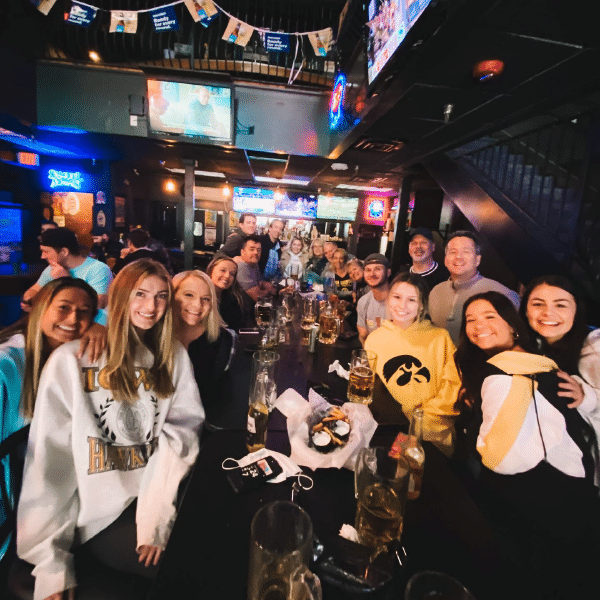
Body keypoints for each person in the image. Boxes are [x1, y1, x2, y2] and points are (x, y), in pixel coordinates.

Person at [17, 259, 204, 600]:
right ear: (120, 297)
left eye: (161, 296)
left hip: (162, 497)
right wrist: (50, 564)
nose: (151, 306)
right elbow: (50, 463)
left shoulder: (172, 356)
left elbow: (181, 436)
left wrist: (155, 517)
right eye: (141, 294)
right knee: (192, 573)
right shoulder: (72, 361)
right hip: (103, 516)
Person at [454, 291, 600, 600]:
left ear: (513, 324)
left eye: (490, 316)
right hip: (574, 503)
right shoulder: (538, 361)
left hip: (541, 518)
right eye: (471, 320)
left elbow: (499, 457)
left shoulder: (506, 375)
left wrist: (477, 433)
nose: (479, 325)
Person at [0, 278, 98, 562]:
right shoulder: (7, 363)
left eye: (84, 313)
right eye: (64, 308)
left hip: (47, 489)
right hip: (16, 501)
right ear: (41, 308)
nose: (73, 319)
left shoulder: (73, 357)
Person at [365, 272, 460, 456]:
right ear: (388, 298)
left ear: (422, 305)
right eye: (397, 297)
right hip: (393, 427)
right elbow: (374, 389)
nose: (402, 306)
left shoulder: (440, 338)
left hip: (433, 432)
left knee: (414, 479)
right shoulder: (375, 339)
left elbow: (452, 388)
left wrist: (417, 425)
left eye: (411, 300)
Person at [520, 275, 600, 451]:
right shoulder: (529, 349)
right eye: (537, 304)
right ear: (525, 310)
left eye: (561, 305)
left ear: (576, 310)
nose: (548, 313)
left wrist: (587, 396)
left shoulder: (595, 346)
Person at [428, 230, 520, 344]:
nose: (458, 257)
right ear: (445, 260)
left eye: (466, 252)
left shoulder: (502, 294)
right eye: (453, 252)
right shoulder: (436, 291)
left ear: (477, 260)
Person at [173, 270, 235, 414]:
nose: (198, 305)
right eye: (189, 295)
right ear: (172, 295)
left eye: (206, 299)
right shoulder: (156, 334)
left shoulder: (223, 340)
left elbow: (215, 396)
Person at [22, 227, 112, 311]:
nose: (42, 256)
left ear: (64, 252)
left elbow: (96, 306)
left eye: (46, 251)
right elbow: (34, 290)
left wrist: (65, 281)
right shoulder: (53, 268)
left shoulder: (99, 269)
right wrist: (29, 299)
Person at [356, 254, 392, 345]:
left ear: (388, 272)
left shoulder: (400, 302)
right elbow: (363, 336)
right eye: (368, 270)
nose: (372, 274)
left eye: (378, 269)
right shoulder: (363, 301)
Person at [206, 254, 246, 331]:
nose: (227, 276)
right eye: (222, 270)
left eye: (232, 274)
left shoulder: (233, 299)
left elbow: (237, 327)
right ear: (211, 270)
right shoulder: (201, 297)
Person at [236, 236, 275, 303]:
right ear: (242, 252)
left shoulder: (254, 264)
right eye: (252, 249)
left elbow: (261, 283)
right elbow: (258, 297)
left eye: (258, 250)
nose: (256, 253)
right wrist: (270, 290)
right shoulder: (242, 267)